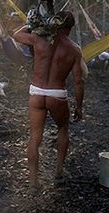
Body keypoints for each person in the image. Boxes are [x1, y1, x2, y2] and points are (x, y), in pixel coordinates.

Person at [13, 10, 87, 189]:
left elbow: (16, 34)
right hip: (56, 94)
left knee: (34, 137)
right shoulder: (74, 49)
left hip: (37, 92)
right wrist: (79, 106)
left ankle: (33, 183)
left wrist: (34, 25)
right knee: (63, 128)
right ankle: (59, 171)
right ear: (69, 29)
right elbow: (78, 81)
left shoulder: (39, 39)